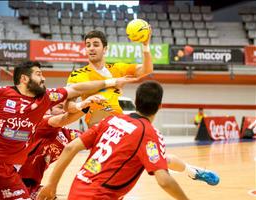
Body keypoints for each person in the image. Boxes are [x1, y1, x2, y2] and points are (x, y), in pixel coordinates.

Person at [0, 61, 138, 200]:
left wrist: (109, 83)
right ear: (24, 78)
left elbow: (76, 89)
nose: (43, 77)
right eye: (39, 74)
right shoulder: (2, 94)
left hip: (10, 171)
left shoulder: (44, 98)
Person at [66, 30, 219, 186]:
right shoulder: (78, 74)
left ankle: (193, 172)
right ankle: (192, 171)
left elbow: (146, 70)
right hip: (99, 134)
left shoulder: (117, 68)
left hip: (122, 129)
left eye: (95, 45)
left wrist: (146, 47)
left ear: (105, 49)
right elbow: (68, 106)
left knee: (157, 158)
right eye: (88, 45)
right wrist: (81, 105)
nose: (91, 48)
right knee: (99, 177)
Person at [38, 81, 189, 200]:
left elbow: (71, 148)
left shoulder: (111, 120)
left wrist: (52, 184)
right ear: (159, 106)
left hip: (77, 191)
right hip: (100, 196)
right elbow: (164, 180)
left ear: (136, 102)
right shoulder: (149, 133)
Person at [19, 95, 105, 199]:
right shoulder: (42, 122)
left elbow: (93, 136)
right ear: (48, 109)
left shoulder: (66, 134)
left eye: (66, 108)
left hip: (32, 184)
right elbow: (63, 119)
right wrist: (86, 105)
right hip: (14, 179)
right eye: (60, 107)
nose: (64, 111)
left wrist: (101, 115)